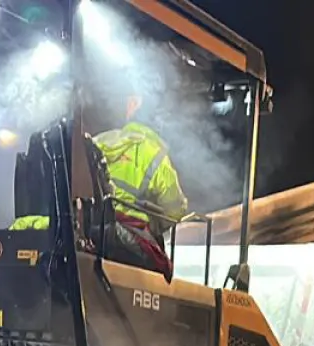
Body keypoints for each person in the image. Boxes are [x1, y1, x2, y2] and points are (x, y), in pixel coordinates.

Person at [10, 92, 189, 275]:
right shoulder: (156, 155)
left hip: (91, 223)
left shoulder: (99, 141)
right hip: (126, 233)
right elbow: (175, 210)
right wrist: (155, 220)